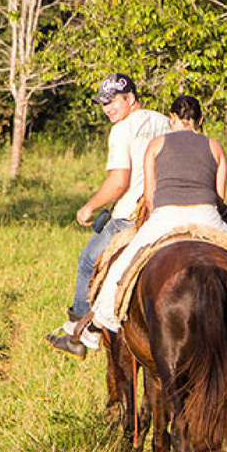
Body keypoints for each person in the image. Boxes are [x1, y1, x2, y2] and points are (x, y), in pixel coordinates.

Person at [88, 94, 227, 357]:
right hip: (206, 215)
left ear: (172, 118)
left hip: (165, 216)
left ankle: (97, 324)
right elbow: (218, 199)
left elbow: (150, 198)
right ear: (200, 119)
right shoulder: (215, 147)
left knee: (123, 264)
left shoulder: (155, 145)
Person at [45, 73, 169, 359]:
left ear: (131, 99)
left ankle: (77, 333)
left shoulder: (122, 129)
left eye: (113, 102)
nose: (108, 109)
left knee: (88, 261)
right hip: (166, 213)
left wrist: (88, 207)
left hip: (130, 217)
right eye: (104, 103)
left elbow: (118, 182)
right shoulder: (165, 122)